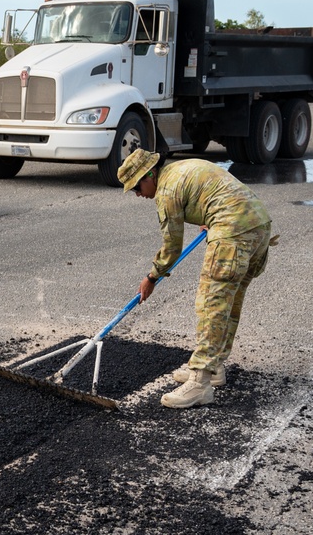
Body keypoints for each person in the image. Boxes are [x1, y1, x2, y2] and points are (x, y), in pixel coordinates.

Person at [118, 148, 275, 409]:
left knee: (211, 305)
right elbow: (216, 193)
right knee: (229, 303)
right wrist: (209, 217)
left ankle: (200, 383)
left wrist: (152, 277)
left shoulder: (166, 191)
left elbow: (171, 247)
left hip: (233, 232)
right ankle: (214, 369)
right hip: (258, 226)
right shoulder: (183, 168)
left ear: (149, 174)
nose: (137, 194)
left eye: (136, 187)